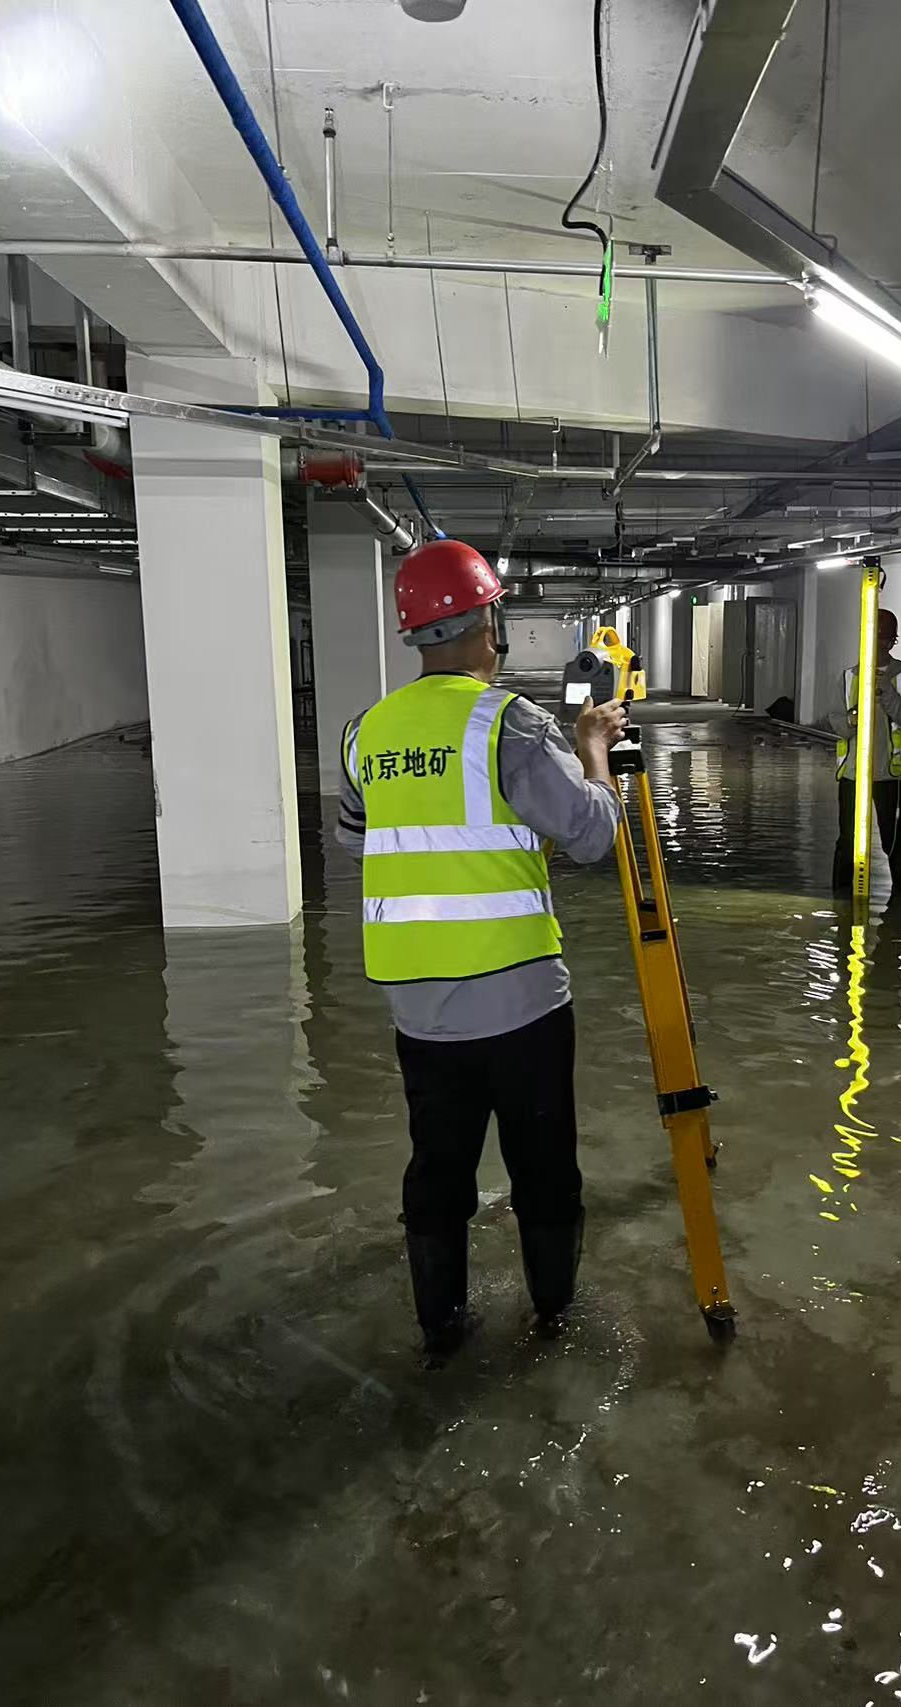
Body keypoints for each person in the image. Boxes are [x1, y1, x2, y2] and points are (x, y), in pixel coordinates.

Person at [336, 539, 626, 1364]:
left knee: (438, 1170)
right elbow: (591, 836)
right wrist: (593, 747)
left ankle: (441, 1331)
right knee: (543, 1171)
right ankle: (552, 1324)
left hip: (419, 1012)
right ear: (488, 622)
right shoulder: (511, 724)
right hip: (524, 1005)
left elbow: (363, 843)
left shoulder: (366, 733)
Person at [829, 608, 901, 894]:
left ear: (894, 641)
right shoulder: (848, 678)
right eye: (875, 637)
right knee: (847, 840)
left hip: (889, 776)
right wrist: (854, 716)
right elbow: (836, 723)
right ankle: (841, 908)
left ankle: (900, 905)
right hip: (853, 774)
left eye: (885, 639)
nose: (879, 644)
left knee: (893, 840)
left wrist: (886, 692)